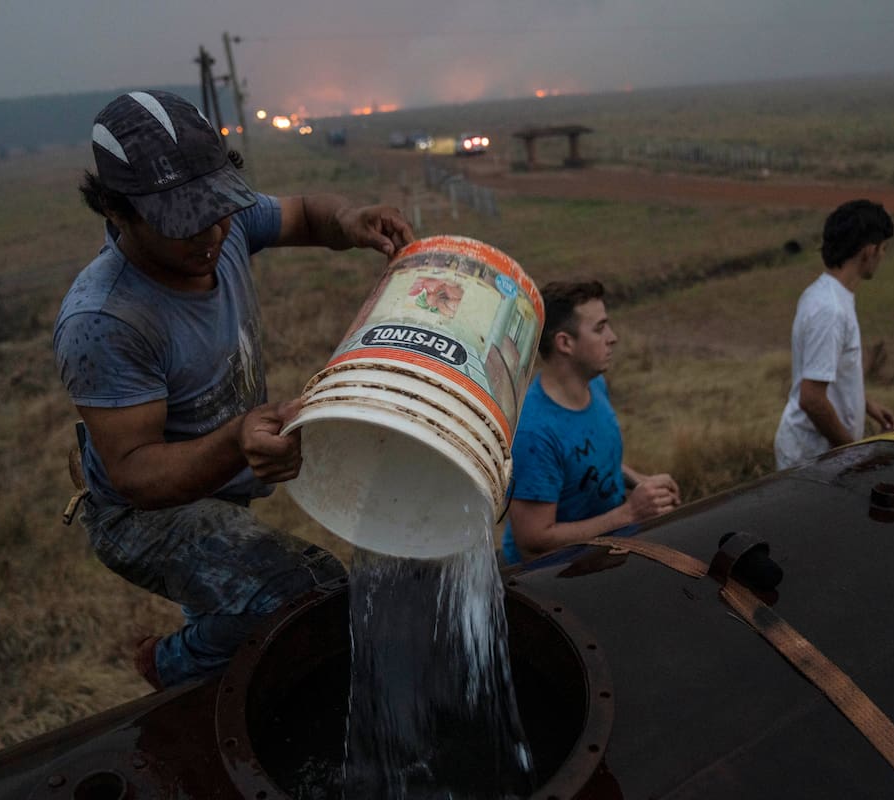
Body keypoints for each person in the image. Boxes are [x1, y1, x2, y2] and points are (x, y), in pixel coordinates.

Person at [53, 90, 415, 690]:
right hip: (145, 515)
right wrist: (235, 443)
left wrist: (348, 220)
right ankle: (171, 666)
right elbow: (135, 474)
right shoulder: (104, 321)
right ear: (117, 213)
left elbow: (301, 214)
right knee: (304, 591)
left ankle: (216, 667)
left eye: (219, 210)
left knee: (239, 607)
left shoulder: (219, 223)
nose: (213, 235)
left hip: (223, 488)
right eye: (186, 224)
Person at [502, 280, 681, 565]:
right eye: (599, 328)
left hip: (606, 551)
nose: (613, 337)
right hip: (555, 578)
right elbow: (533, 542)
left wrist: (641, 482)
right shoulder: (534, 433)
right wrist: (630, 513)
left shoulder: (595, 385)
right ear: (565, 343)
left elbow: (585, 459)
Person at [774, 199, 894, 470]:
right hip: (812, 458)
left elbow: (829, 373)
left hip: (821, 454)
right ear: (869, 251)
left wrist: (865, 403)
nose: (883, 256)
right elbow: (812, 399)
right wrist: (854, 454)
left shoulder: (828, 296)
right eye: (883, 248)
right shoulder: (829, 311)